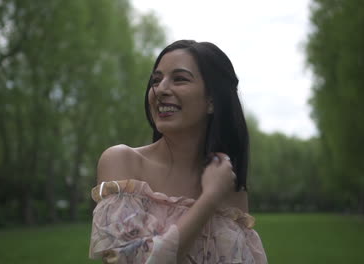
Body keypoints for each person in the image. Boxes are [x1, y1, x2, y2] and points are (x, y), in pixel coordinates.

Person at [89, 40, 267, 263]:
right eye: (156, 80)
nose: (161, 89)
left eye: (180, 79)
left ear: (212, 101)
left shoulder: (232, 191)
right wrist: (209, 198)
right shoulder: (122, 163)